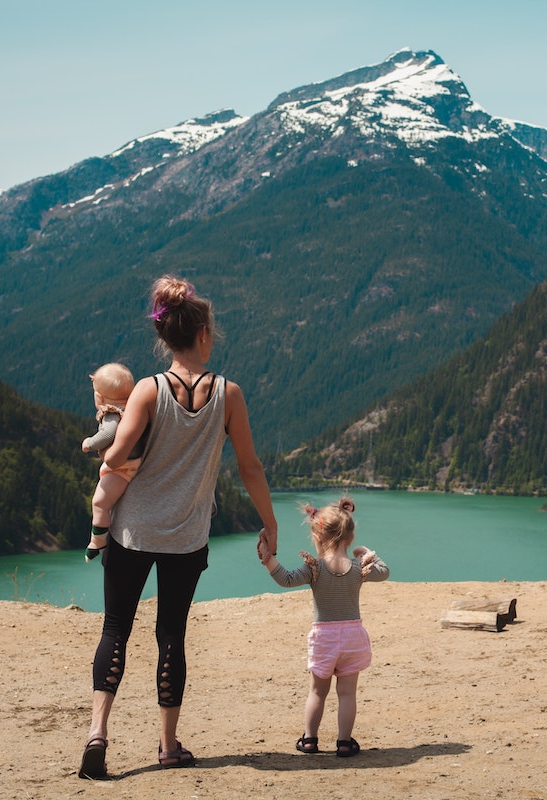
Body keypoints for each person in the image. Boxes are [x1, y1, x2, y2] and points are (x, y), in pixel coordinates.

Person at [79, 275, 279, 780]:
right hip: (186, 538)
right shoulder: (228, 394)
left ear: (165, 338)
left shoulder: (147, 390)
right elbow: (250, 467)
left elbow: (119, 452)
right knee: (172, 635)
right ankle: (168, 746)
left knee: (115, 629)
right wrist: (270, 522)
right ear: (205, 334)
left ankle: (98, 734)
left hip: (131, 534)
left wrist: (111, 441)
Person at [256, 498, 389, 758]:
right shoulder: (358, 568)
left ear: (316, 536)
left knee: (317, 691)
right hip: (353, 637)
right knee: (347, 693)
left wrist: (268, 558)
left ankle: (309, 740)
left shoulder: (314, 569)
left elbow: (286, 579)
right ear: (349, 538)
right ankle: (344, 742)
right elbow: (384, 571)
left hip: (324, 639)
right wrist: (366, 552)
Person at [80, 363, 145, 563]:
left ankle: (97, 541)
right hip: (140, 462)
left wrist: (89, 443)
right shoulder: (136, 408)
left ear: (98, 397)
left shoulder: (112, 413)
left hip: (123, 468)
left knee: (99, 502)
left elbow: (108, 434)